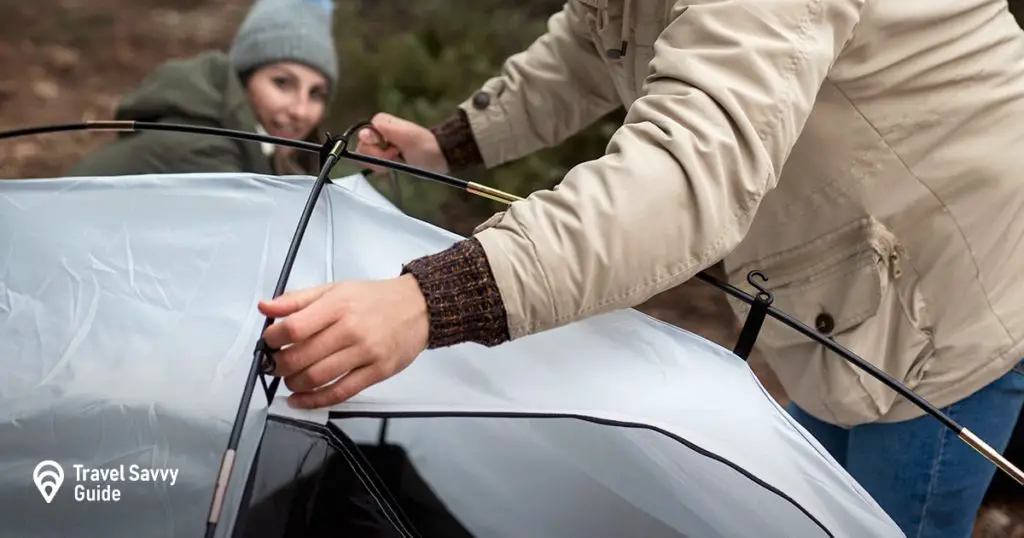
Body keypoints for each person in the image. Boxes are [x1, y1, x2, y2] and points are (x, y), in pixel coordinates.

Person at [256, 1, 1024, 536]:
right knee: (802, 507)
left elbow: (685, 176)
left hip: (949, 287)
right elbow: (592, 41)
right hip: (848, 292)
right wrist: (452, 142)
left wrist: (429, 299)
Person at [66, 0, 338, 177]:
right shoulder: (203, 148)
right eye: (282, 83)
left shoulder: (257, 144)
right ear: (243, 79)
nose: (300, 110)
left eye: (316, 94)